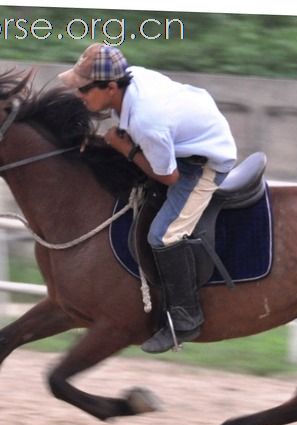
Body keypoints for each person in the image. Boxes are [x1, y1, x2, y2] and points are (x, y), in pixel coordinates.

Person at [59, 43, 237, 353]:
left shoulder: (146, 121)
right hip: (180, 141)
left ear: (111, 87)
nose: (79, 96)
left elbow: (170, 178)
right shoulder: (132, 78)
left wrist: (124, 147)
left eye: (84, 90)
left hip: (203, 164)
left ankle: (185, 319)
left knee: (163, 236)